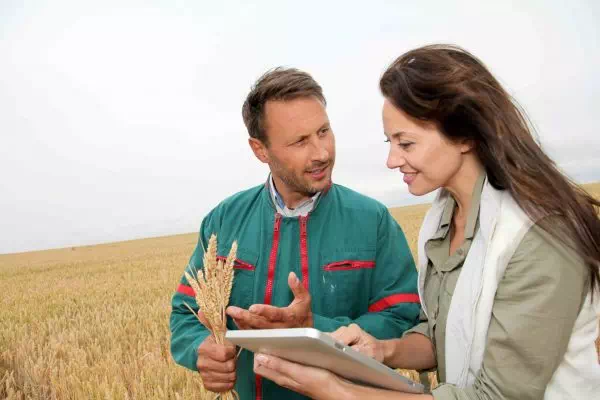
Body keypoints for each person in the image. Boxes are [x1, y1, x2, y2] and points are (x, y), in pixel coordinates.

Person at [252, 45, 600, 399]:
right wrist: (383, 349)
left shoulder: (538, 236)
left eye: (406, 143)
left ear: (463, 135)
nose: (391, 160)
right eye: (391, 142)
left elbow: (499, 396)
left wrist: (341, 392)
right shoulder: (441, 220)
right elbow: (441, 337)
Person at [169, 67, 421, 400]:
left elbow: (402, 319)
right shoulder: (223, 221)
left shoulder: (373, 220)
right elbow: (185, 313)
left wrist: (314, 331)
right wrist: (201, 350)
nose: (322, 152)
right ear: (260, 150)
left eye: (323, 131)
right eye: (300, 141)